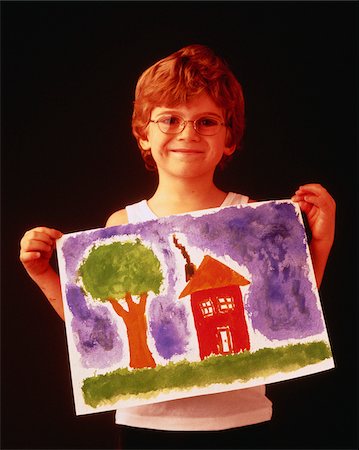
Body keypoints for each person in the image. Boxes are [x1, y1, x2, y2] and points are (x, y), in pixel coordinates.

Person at [19, 44, 336, 449]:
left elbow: (294, 312)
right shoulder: (123, 224)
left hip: (243, 422)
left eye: (206, 121)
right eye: (170, 119)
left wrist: (321, 242)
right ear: (143, 136)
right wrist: (44, 274)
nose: (187, 133)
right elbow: (97, 331)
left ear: (229, 139)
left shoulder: (252, 217)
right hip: (146, 426)